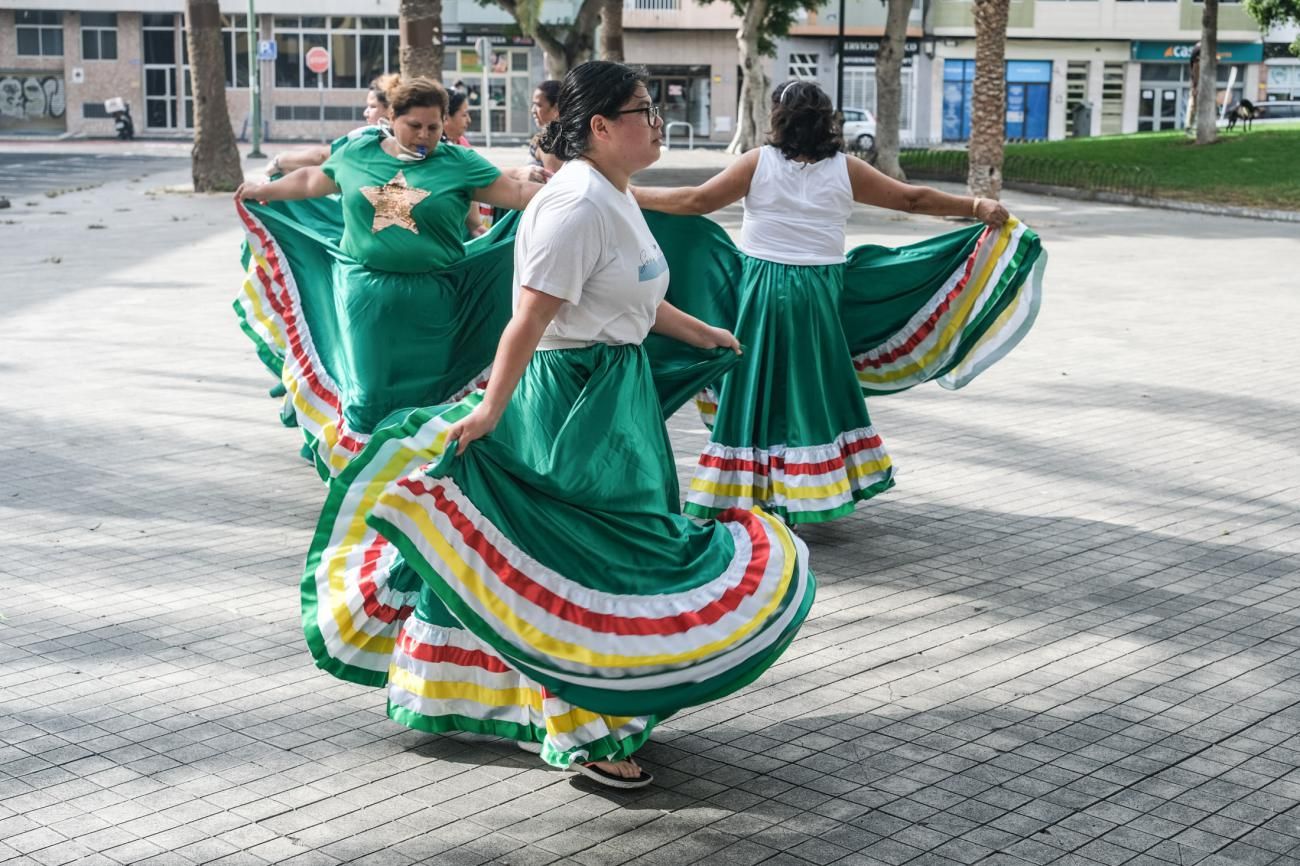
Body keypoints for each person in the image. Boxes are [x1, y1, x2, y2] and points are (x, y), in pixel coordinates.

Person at [297, 62, 814, 789]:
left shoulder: (613, 193)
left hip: (613, 394)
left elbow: (631, 292)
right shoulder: (574, 206)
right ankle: (586, 731)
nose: (657, 121)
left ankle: (605, 702)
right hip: (574, 399)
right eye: (643, 109)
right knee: (587, 558)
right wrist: (488, 412)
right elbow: (528, 322)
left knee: (608, 549)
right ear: (600, 127)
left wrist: (699, 332)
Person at [631, 79, 1045, 525]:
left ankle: (753, 490)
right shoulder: (846, 168)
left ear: (778, 118)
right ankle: (811, 491)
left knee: (759, 384)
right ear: (827, 119)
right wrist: (975, 206)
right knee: (811, 388)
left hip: (762, 289)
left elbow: (696, 201)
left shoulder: (757, 163)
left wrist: (627, 194)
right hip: (820, 292)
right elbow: (911, 198)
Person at [233, 77, 541, 475]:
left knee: (428, 394)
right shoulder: (357, 151)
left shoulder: (458, 163)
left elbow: (514, 194)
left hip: (437, 306)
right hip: (366, 300)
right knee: (368, 394)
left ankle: (420, 485)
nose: (425, 136)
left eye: (434, 127)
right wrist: (266, 190)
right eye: (415, 125)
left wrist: (579, 197)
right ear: (392, 118)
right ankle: (361, 483)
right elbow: (313, 179)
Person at [263, 73, 398, 178]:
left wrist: (279, 160)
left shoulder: (373, 134)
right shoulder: (404, 137)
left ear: (390, 109)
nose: (365, 112)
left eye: (372, 106)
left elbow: (321, 157)